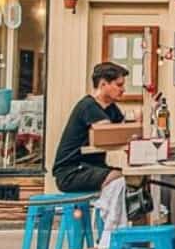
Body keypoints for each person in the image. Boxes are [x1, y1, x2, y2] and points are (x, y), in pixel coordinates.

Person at [51, 62, 128, 193]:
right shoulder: (89, 106)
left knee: (131, 178)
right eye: (119, 85)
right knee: (117, 178)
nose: (123, 89)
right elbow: (111, 134)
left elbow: (125, 134)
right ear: (103, 84)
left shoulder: (111, 108)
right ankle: (108, 214)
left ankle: (110, 212)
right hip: (71, 172)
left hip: (91, 167)